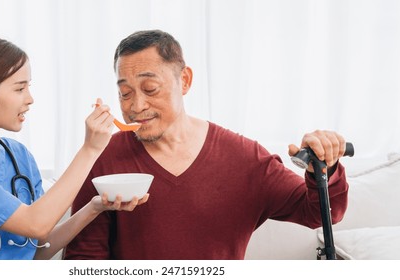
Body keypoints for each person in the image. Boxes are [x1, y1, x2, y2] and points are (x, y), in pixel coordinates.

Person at [64, 30, 349, 260]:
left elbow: (321, 212)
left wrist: (325, 167)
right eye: (125, 94)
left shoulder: (244, 158)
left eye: (150, 89)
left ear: (184, 80)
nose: (136, 106)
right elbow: (83, 258)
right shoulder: (104, 156)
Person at [0, 36, 148, 260]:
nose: (30, 98)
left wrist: (94, 207)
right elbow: (36, 224)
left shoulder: (17, 156)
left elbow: (38, 248)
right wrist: (90, 150)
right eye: (20, 88)